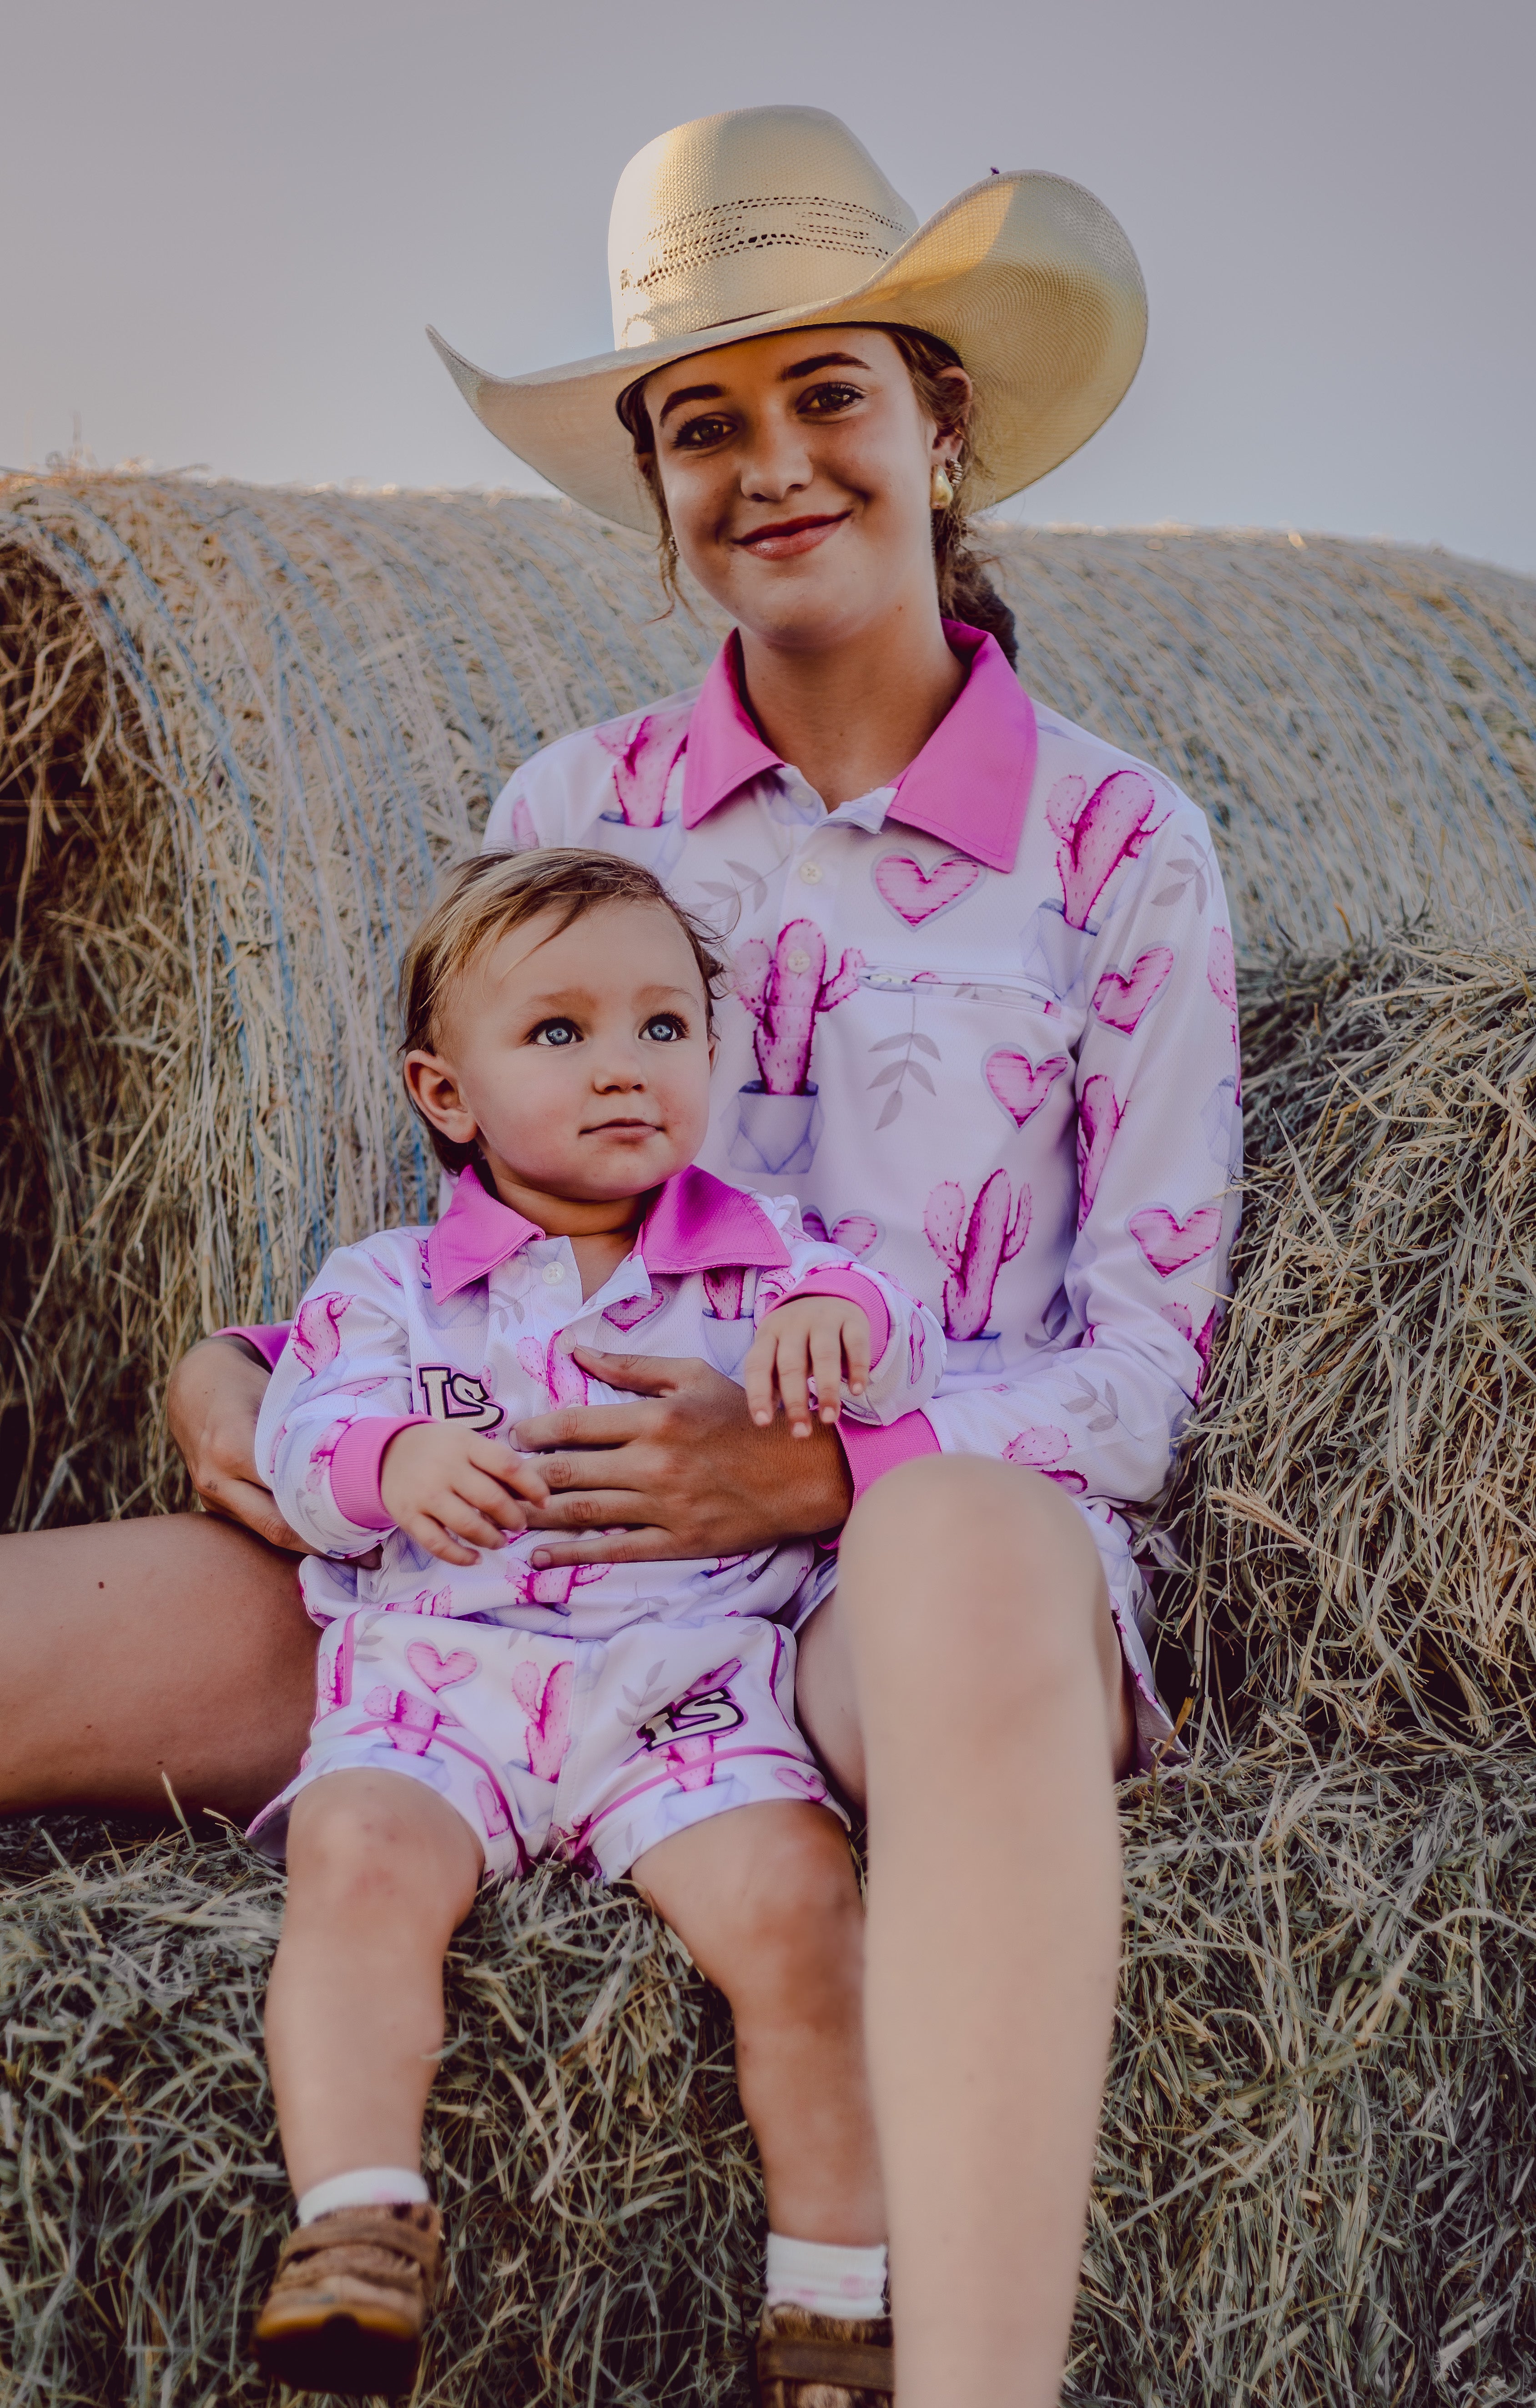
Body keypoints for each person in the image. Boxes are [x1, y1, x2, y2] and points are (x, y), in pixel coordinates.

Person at [0, 106, 1241, 2408]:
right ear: (662, 488)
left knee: (973, 1541)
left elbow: (1144, 1363)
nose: (772, 466)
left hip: (878, 1621)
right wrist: (238, 1369)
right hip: (505, 1569)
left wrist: (822, 1472)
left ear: (942, 425)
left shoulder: (1119, 850)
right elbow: (479, 1211)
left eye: (828, 395)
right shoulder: (572, 812)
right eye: (703, 424)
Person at [247, 844, 941, 2395]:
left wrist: (845, 1321)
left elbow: (907, 1341)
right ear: (446, 1094)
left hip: (683, 1687)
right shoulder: (388, 1286)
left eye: (662, 1026)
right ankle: (357, 2223)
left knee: (799, 1906)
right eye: (558, 1032)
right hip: (444, 1682)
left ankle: (836, 2300)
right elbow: (299, 1441)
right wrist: (391, 1463)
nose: (624, 1066)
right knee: (354, 1856)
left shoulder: (769, 1263)